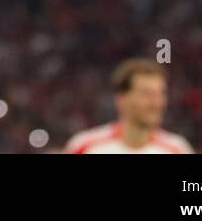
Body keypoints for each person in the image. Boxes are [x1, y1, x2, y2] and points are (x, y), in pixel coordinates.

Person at [65, 59, 195, 154]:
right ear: (122, 99)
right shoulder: (84, 147)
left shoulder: (177, 149)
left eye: (160, 94)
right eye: (147, 94)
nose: (156, 103)